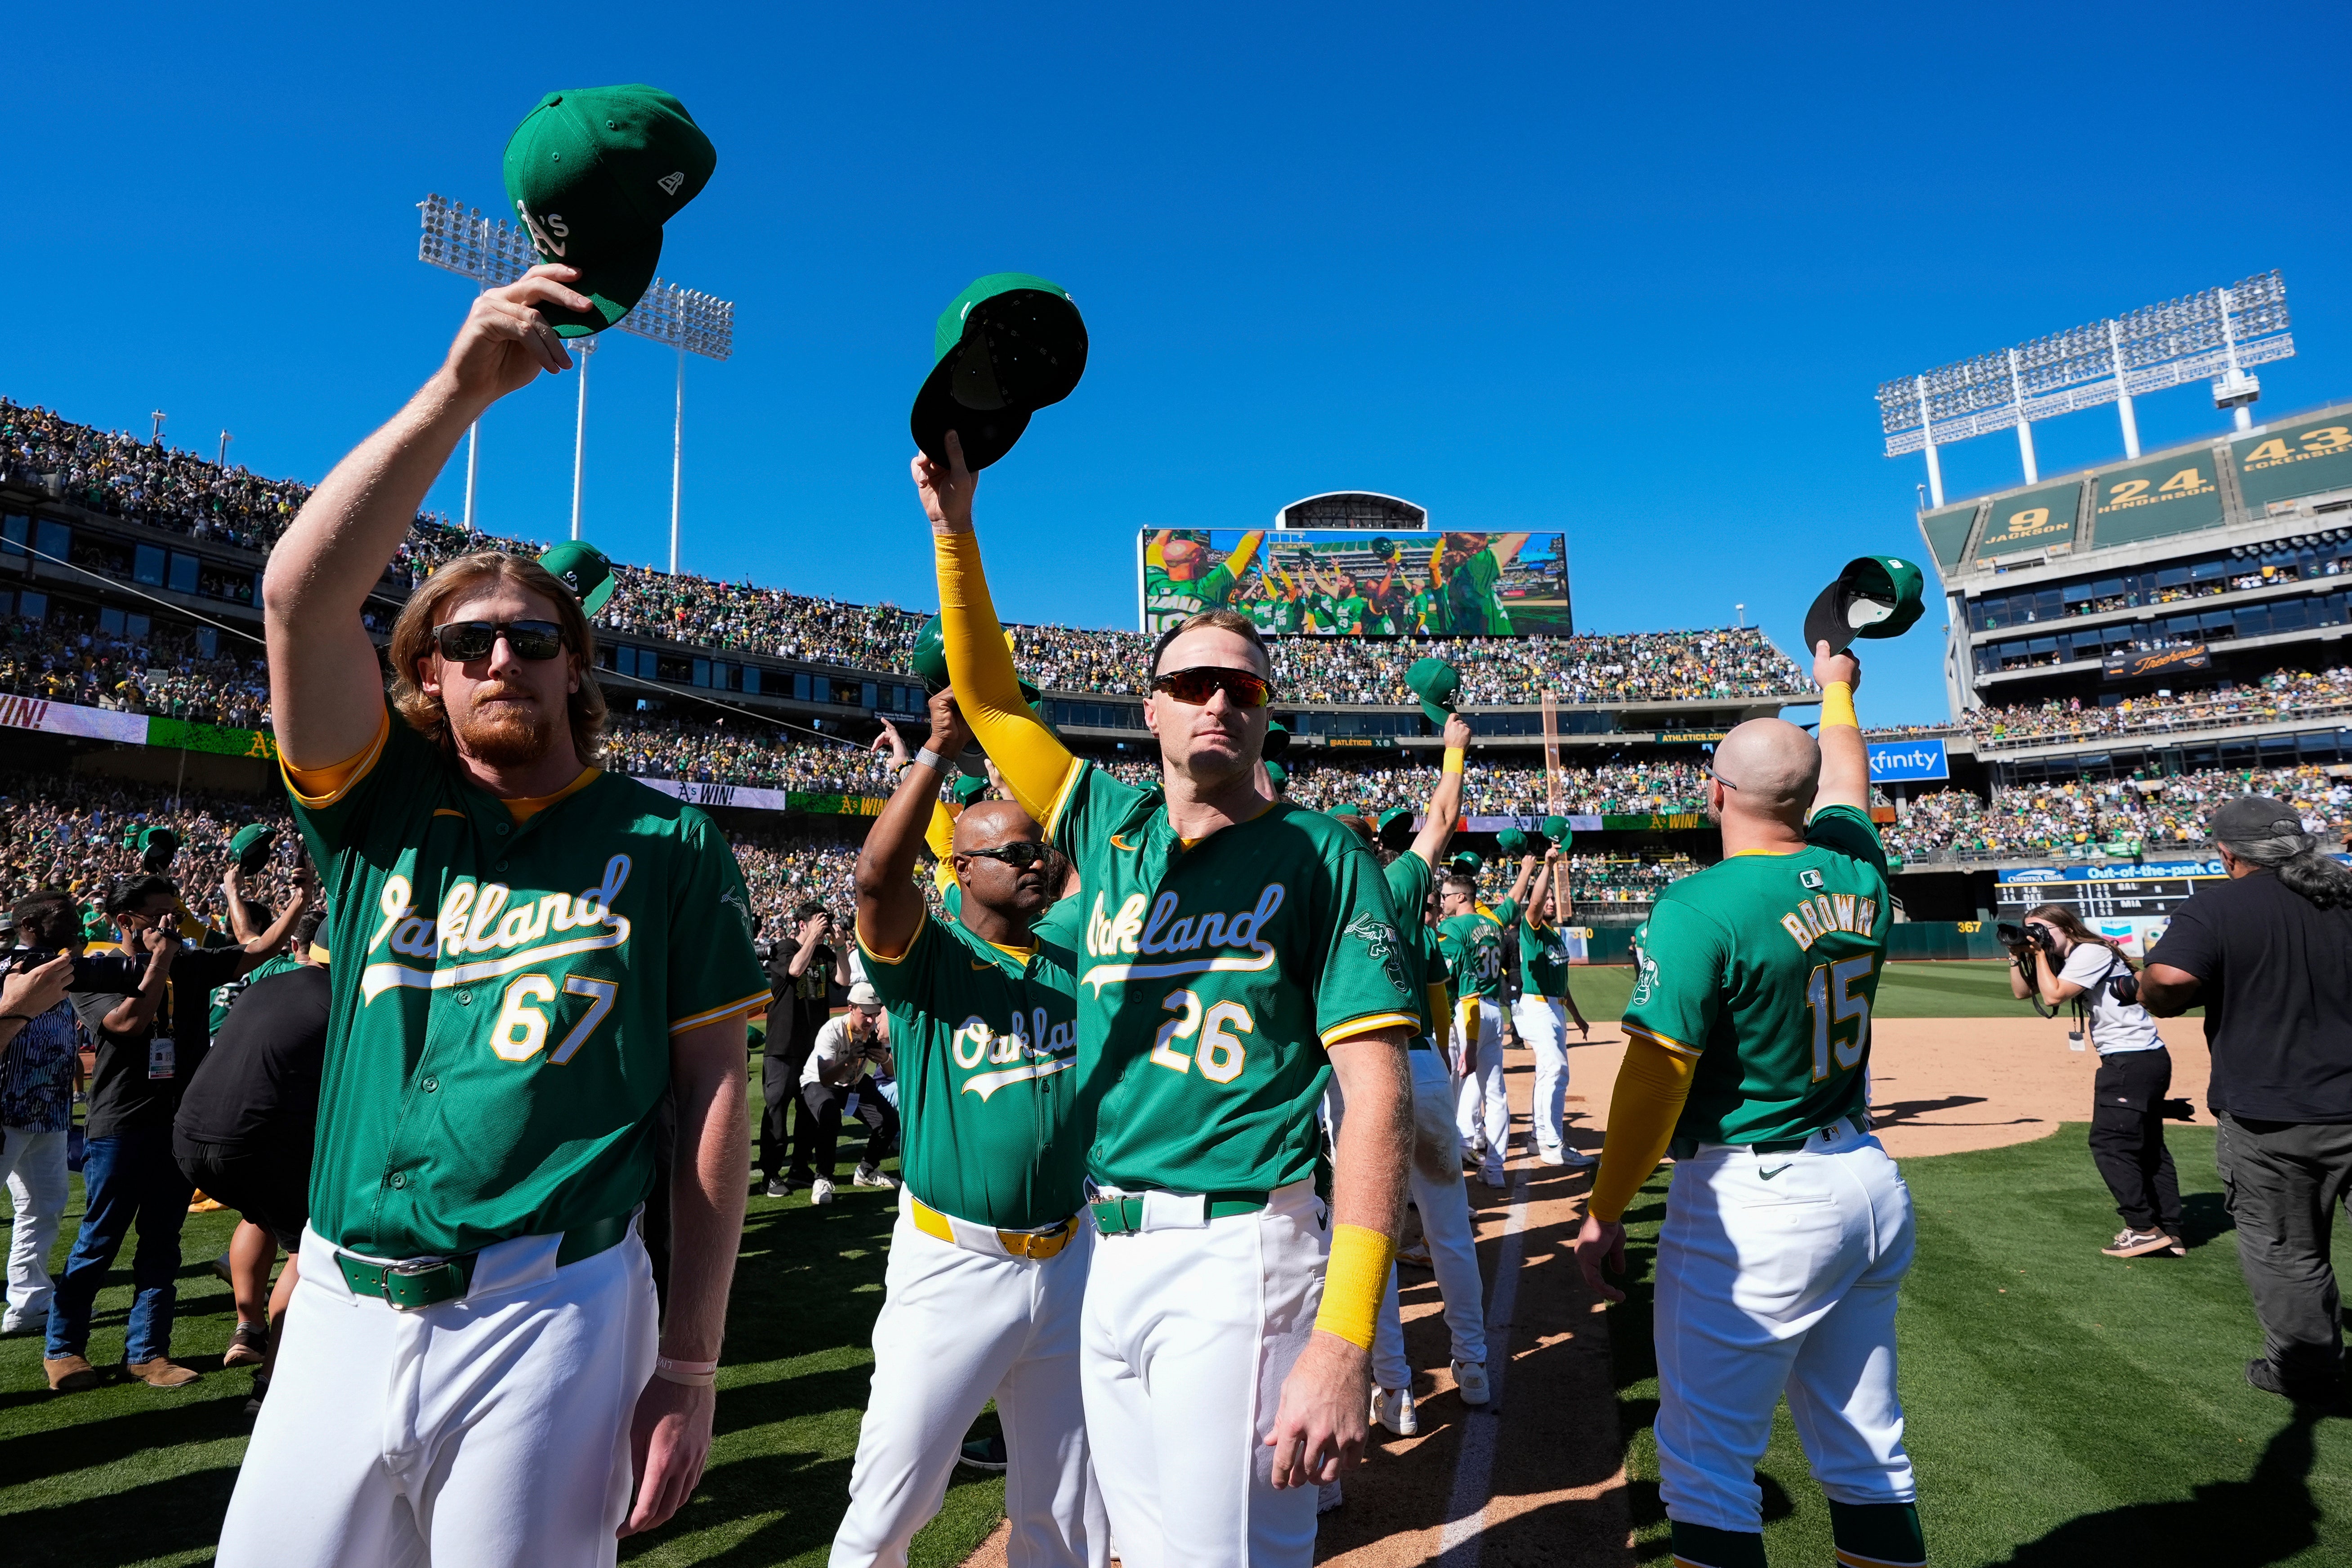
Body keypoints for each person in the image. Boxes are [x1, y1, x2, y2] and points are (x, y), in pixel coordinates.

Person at [218, 262, 770, 1565]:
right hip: (343, 1295)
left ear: (577, 664)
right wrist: (460, 391)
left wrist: (691, 1360)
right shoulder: (375, 807)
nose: (500, 657)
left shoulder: (667, 838)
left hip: (554, 1302)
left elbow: (713, 1093)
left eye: (532, 636)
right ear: (425, 674)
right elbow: (298, 597)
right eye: (465, 643)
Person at [921, 429, 1416, 1568]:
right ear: (1149, 710)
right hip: (1111, 1247)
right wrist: (955, 532)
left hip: (1243, 1248)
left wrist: (1345, 1330)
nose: (1216, 702)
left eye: (1241, 687)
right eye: (1191, 684)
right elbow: (989, 699)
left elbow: (1377, 1098)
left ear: (1264, 713)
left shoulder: (1321, 853)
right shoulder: (1107, 824)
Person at [1575, 642, 1926, 1568]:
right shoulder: (1857, 868)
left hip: (1756, 1194)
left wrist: (1606, 1207)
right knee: (1869, 1452)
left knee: (1705, 1468)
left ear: (1715, 792)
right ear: (1804, 799)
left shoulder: (1699, 905)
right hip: (1864, 1177)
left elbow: (1657, 1076)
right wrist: (1837, 690)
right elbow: (1845, 777)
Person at [831, 688, 1104, 1568]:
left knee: (1066, 1512)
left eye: (1040, 850)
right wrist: (933, 757)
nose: (1035, 864)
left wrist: (1019, 754)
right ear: (964, 867)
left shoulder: (1069, 948)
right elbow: (876, 882)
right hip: (955, 1262)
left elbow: (1092, 867)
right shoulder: (933, 960)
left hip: (1071, 1257)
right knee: (890, 1504)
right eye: (1014, 853)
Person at [46, 871, 306, 1392]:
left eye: (177, 914)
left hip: (176, 1125)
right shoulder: (99, 971)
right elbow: (127, 1024)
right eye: (161, 915)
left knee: (162, 1242)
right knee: (98, 1240)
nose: (173, 924)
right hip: (120, 1125)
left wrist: (299, 899)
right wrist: (161, 961)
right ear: (125, 921)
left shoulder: (188, 964)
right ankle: (64, 1350)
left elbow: (260, 949)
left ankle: (148, 1352)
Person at [2140, 795, 2352, 1407]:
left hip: (2271, 1112)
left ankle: (2304, 1372)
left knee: (2286, 1250)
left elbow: (2170, 981)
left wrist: (2150, 986)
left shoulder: (2218, 905)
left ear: (2226, 854)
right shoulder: (2343, 890)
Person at [1350, 734, 1491, 1432]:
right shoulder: (1396, 883)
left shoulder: (1303, 891)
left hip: (1354, 1075)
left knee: (1369, 1235)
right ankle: (1474, 1364)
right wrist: (1453, 748)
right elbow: (1440, 815)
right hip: (1421, 1064)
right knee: (1449, 1230)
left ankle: (1395, 1388)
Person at [173, 909, 330, 1412]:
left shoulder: (267, 984)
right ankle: (270, 1383)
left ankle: (249, 1327)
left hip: (190, 1136)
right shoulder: (347, 999)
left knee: (259, 1214)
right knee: (310, 1247)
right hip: (256, 1141)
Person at [2003, 904, 2184, 1259]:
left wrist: (2038, 953)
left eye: (2043, 929)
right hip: (2142, 1058)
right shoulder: (2071, 956)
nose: (2037, 936)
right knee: (2148, 1146)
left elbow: (2053, 995)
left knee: (2109, 1143)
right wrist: (2017, 955)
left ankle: (2142, 1228)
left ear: (2068, 928)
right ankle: (2170, 1231)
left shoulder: (2091, 952)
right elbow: (2024, 992)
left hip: (2130, 1059)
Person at [1495, 844, 1594, 1168]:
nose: (1550, 901)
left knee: (1548, 1072)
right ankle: (1552, 1144)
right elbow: (1535, 903)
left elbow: (1562, 984)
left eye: (1554, 898)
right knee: (1556, 1072)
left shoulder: (1553, 935)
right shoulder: (1532, 927)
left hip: (1554, 1008)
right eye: (1547, 897)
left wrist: (1577, 1016)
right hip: (1537, 1007)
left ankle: (1540, 1136)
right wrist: (1548, 867)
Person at [0, 931, 79, 1336]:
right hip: (6, 1106)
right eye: (59, 916)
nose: (73, 926)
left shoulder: (65, 967)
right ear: (28, 924)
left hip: (49, 1109)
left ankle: (29, 1303)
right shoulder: (6, 969)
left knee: (43, 1206)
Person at [1437, 870, 1509, 1186]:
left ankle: (1450, 1169)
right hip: (1493, 1009)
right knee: (1496, 1094)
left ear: (1461, 896)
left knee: (1449, 1093)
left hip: (1467, 1010)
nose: (1442, 901)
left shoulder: (1452, 927)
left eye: (1446, 896)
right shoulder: (1493, 925)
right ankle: (1495, 1170)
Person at [800, 984, 902, 1204]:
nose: (871, 1021)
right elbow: (825, 1078)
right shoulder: (832, 1030)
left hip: (854, 1082)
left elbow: (891, 1072)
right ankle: (823, 1178)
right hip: (819, 1081)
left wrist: (885, 1059)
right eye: (866, 1014)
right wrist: (849, 1060)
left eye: (875, 1014)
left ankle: (867, 1171)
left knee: (890, 1121)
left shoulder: (876, 1030)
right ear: (851, 1009)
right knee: (829, 1116)